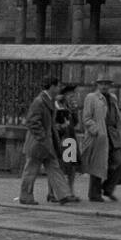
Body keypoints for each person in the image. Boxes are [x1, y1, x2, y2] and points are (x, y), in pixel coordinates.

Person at [18, 76, 69, 206]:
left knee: (54, 167)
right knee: (31, 170)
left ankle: (63, 194)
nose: (59, 89)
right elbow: (32, 122)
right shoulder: (39, 101)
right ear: (51, 86)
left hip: (47, 142)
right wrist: (43, 137)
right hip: (38, 143)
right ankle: (25, 196)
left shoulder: (48, 100)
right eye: (58, 86)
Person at [81, 76, 121, 201]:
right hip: (99, 135)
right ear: (97, 85)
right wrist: (96, 130)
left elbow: (115, 116)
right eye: (102, 84)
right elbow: (86, 118)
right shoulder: (91, 98)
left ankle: (108, 188)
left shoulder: (113, 98)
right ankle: (94, 194)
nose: (104, 86)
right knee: (97, 164)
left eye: (107, 84)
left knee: (118, 162)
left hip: (112, 134)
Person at [52, 84, 80, 203]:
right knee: (58, 166)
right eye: (69, 95)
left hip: (70, 137)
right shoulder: (57, 105)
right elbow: (54, 122)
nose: (72, 97)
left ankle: (70, 190)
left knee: (72, 166)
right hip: (60, 138)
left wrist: (74, 111)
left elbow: (76, 123)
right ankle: (53, 192)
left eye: (73, 95)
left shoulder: (70, 107)